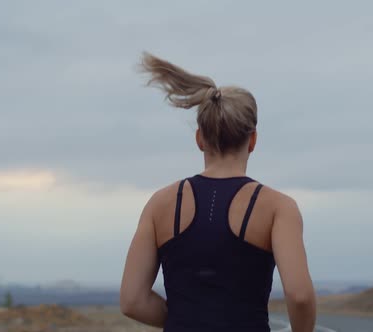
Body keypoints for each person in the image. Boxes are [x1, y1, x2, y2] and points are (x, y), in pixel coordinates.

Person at [120, 52, 316, 331]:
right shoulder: (277, 208)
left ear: (199, 138)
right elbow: (299, 295)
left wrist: (188, 320)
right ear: (253, 140)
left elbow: (132, 300)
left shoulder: (160, 204)